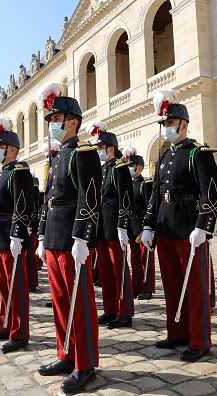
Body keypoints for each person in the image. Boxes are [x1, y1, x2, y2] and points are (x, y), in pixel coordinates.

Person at [141, 88, 217, 362]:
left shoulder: (198, 153)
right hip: (165, 227)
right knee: (173, 284)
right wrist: (148, 225)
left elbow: (211, 191)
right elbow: (155, 194)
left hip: (189, 229)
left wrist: (204, 226)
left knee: (195, 287)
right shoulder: (164, 157)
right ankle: (177, 332)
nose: (166, 128)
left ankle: (200, 340)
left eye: (170, 124)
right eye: (163, 124)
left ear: (183, 124)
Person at [36, 82, 101, 393]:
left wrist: (82, 238)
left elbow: (89, 198)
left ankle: (85, 363)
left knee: (81, 303)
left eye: (56, 119)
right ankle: (66, 352)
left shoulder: (83, 152)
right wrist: (40, 236)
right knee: (61, 301)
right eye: (51, 120)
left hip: (72, 237)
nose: (52, 124)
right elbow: (48, 199)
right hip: (54, 237)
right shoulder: (58, 156)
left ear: (73, 121)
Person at [0, 113, 34, 354]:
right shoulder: (2, 172)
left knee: (15, 287)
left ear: (12, 149)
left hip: (11, 235)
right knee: (3, 286)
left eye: (0, 147)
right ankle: (4, 324)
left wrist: (17, 234)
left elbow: (22, 205)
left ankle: (19, 332)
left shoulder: (19, 171)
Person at [90, 120, 134, 330]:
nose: (98, 150)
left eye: (101, 147)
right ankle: (110, 309)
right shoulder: (101, 169)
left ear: (111, 148)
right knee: (105, 270)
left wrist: (123, 225)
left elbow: (126, 197)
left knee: (119, 270)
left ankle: (125, 311)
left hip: (115, 225)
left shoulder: (120, 167)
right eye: (97, 147)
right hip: (102, 226)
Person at [125, 149, 156, 300]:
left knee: (146, 258)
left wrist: (149, 227)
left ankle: (147, 287)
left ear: (140, 167)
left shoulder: (145, 184)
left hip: (142, 226)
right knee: (135, 259)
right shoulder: (127, 184)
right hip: (131, 226)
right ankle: (136, 286)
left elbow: (150, 205)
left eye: (133, 165)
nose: (130, 167)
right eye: (129, 165)